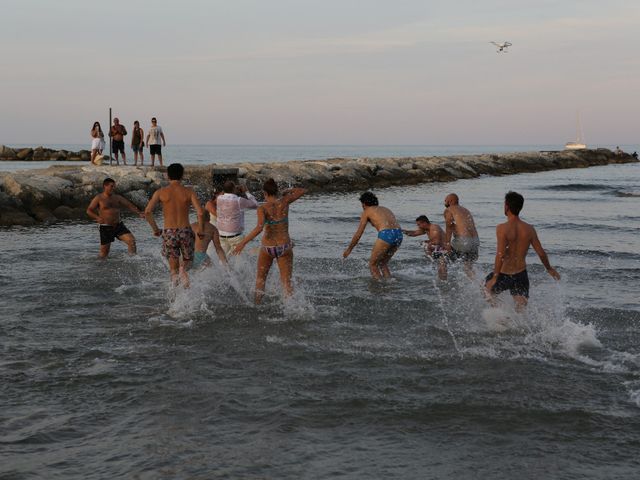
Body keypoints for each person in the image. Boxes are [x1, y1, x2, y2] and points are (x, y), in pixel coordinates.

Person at [232, 179, 305, 304]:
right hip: (285, 246)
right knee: (286, 282)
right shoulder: (285, 201)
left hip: (268, 248)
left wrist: (242, 243)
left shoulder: (262, 208)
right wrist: (287, 191)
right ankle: (292, 309)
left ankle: (257, 305)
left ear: (264, 193)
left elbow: (259, 228)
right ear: (276, 191)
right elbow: (303, 190)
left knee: (260, 280)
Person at [485, 191, 561, 311]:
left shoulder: (502, 228)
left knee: (486, 291)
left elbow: (500, 255)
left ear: (506, 206)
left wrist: (495, 277)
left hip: (504, 274)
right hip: (521, 274)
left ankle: (500, 316)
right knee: (521, 309)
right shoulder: (529, 229)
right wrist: (549, 269)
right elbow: (541, 252)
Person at [144, 163, 204, 287]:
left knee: (173, 269)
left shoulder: (161, 192)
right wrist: (201, 230)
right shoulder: (189, 192)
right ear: (182, 175)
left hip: (169, 232)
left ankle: (175, 295)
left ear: (167, 175)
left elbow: (147, 212)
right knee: (188, 261)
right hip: (185, 230)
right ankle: (183, 269)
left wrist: (155, 229)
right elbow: (200, 213)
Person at [343, 192, 403, 280]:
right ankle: (389, 283)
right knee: (383, 263)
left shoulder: (367, 212)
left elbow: (358, 233)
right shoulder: (385, 209)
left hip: (386, 234)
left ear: (364, 204)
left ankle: (379, 287)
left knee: (372, 265)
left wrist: (349, 249)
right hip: (399, 234)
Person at [86, 178, 145, 258]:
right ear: (105, 186)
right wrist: (97, 218)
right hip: (105, 227)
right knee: (104, 254)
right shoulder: (99, 198)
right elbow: (89, 210)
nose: (113, 188)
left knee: (131, 241)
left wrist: (139, 213)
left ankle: (132, 259)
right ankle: (100, 267)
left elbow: (129, 205)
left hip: (118, 226)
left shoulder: (117, 197)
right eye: (111, 186)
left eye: (114, 186)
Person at [210, 180, 258, 255]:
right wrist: (246, 192)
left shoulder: (219, 198)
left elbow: (224, 194)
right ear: (233, 189)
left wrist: (232, 189)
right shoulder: (239, 201)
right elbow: (255, 205)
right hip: (235, 236)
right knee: (239, 261)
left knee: (223, 260)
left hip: (221, 234)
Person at [443, 193, 480, 277]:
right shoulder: (465, 210)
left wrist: (447, 243)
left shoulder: (449, 209)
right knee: (468, 267)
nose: (444, 202)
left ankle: (442, 285)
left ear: (450, 200)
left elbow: (448, 226)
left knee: (442, 260)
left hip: (463, 241)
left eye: (445, 200)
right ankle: (480, 286)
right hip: (475, 241)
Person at [403, 215, 448, 279]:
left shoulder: (434, 228)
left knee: (442, 265)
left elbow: (437, 241)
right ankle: (442, 280)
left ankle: (444, 281)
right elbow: (414, 233)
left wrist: (425, 242)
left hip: (444, 249)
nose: (418, 226)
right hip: (438, 249)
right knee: (440, 266)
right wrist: (403, 231)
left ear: (424, 223)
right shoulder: (426, 229)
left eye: (419, 224)